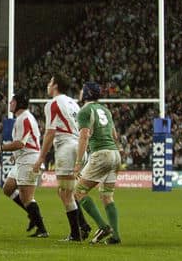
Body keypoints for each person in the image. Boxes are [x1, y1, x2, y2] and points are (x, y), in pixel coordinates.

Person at [34, 74, 91, 241]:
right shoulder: (74, 103)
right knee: (65, 192)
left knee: (65, 193)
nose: (48, 84)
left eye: (50, 81)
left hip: (66, 147)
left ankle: (76, 234)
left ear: (55, 85)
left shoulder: (53, 103)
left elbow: (50, 132)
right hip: (79, 147)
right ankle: (83, 226)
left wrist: (40, 158)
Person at [72, 81, 122, 245]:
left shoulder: (85, 111)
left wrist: (78, 162)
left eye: (82, 89)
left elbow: (84, 136)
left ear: (86, 93)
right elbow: (114, 135)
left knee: (79, 191)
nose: (80, 91)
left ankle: (103, 227)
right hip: (115, 153)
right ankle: (115, 237)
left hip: (101, 153)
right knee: (107, 195)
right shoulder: (106, 110)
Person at [0, 93, 48, 238]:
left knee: (27, 198)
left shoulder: (24, 118)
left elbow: (20, 143)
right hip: (22, 159)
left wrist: (0, 148)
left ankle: (42, 229)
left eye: (12, 101)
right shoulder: (21, 118)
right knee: (8, 188)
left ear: (18, 103)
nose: (10, 102)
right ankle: (34, 215)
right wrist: (15, 156)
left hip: (29, 160)